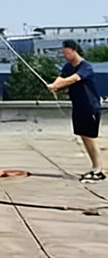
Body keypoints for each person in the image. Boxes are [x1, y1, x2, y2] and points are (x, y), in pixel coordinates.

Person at [48, 40, 104, 181]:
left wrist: (58, 85)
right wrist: (55, 85)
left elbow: (73, 79)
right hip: (78, 106)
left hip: (90, 106)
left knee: (89, 137)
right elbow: (62, 77)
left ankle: (98, 169)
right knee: (84, 136)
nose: (65, 56)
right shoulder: (68, 67)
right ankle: (95, 167)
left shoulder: (85, 67)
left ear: (74, 51)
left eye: (67, 53)